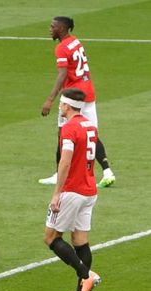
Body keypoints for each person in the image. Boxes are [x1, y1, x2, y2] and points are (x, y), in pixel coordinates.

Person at [39, 16, 116, 188]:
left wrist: (50, 100)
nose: (50, 29)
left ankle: (59, 174)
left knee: (63, 133)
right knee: (91, 132)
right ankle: (107, 171)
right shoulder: (75, 42)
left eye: (53, 26)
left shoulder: (62, 48)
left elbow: (63, 74)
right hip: (88, 91)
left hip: (72, 95)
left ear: (62, 28)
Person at [44, 88, 101, 291]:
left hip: (73, 190)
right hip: (89, 190)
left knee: (51, 237)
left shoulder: (69, 128)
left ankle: (87, 275)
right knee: (80, 241)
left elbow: (65, 161)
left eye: (61, 103)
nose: (59, 106)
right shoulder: (90, 125)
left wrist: (57, 193)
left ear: (67, 106)